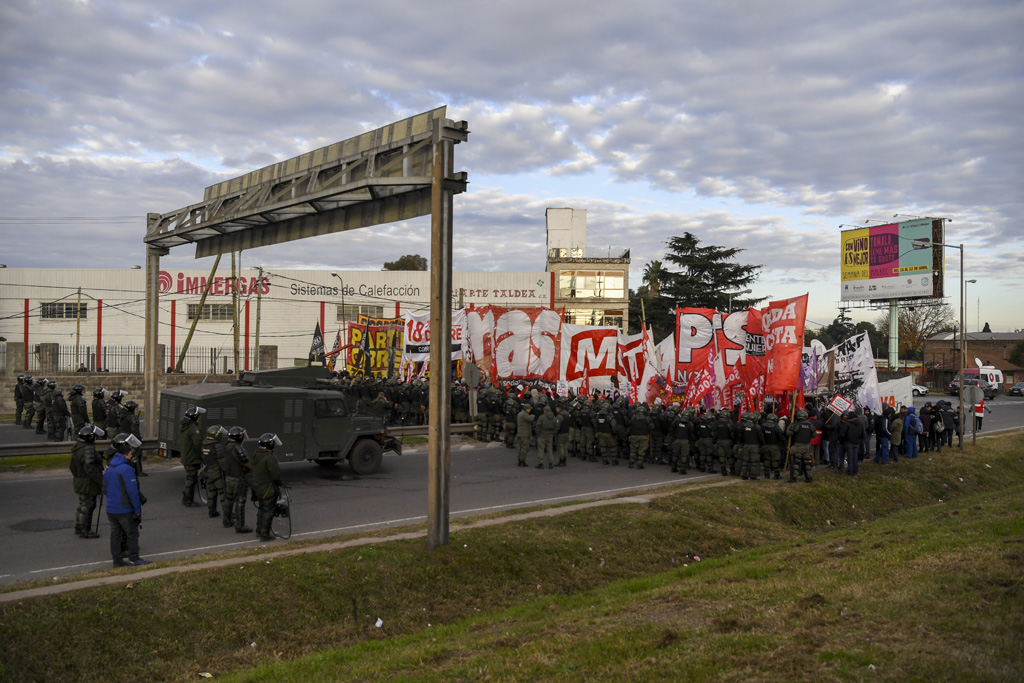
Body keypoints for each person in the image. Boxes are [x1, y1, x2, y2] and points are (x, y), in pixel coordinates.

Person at [102, 433, 149, 567]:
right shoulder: (127, 469)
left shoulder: (110, 468)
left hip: (111, 508)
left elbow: (104, 488)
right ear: (125, 454)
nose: (131, 455)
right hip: (124, 509)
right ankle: (134, 558)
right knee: (132, 533)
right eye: (130, 453)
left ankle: (117, 561)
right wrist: (137, 511)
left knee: (115, 535)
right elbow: (133, 493)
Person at [71, 424, 106, 538]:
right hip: (87, 483)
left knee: (82, 504)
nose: (95, 438)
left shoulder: (78, 446)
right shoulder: (88, 449)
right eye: (94, 436)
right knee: (88, 505)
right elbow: (90, 469)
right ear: (89, 437)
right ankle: (85, 530)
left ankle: (79, 526)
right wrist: (102, 481)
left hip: (80, 480)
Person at [252, 432, 285, 542]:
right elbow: (275, 475)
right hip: (268, 489)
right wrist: (281, 484)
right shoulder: (270, 458)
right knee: (268, 510)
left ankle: (259, 529)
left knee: (261, 509)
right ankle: (264, 533)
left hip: (258, 488)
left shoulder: (256, 454)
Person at [223, 426, 253, 533]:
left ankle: (226, 520)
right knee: (240, 500)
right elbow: (246, 463)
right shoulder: (238, 448)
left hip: (228, 477)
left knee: (228, 500)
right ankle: (240, 526)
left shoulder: (226, 446)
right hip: (238, 478)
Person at [179, 405, 206, 507]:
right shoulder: (194, 429)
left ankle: (187, 497)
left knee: (189, 478)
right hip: (192, 458)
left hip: (186, 457)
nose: (199, 419)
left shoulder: (183, 427)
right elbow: (198, 445)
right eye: (198, 416)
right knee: (191, 479)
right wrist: (203, 457)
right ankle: (187, 500)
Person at [201, 425, 228, 518]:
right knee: (223, 493)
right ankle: (227, 513)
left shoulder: (205, 444)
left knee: (211, 492)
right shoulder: (217, 445)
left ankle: (211, 511)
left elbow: (204, 458)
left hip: (208, 471)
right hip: (217, 472)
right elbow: (221, 461)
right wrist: (227, 471)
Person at [786, 410, 815, 483]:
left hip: (798, 446)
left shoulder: (796, 425)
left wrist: (790, 425)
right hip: (807, 446)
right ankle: (809, 478)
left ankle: (794, 479)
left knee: (796, 463)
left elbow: (788, 433)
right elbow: (814, 435)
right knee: (807, 463)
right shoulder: (810, 425)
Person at [839, 409, 864, 476]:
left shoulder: (847, 424)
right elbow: (863, 434)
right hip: (857, 442)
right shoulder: (860, 424)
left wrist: (844, 440)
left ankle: (850, 471)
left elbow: (842, 434)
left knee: (850, 458)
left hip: (849, 442)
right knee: (855, 457)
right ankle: (855, 471)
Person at [534, 404, 558, 469]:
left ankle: (540, 463)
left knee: (541, 449)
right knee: (549, 449)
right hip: (550, 434)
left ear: (544, 410)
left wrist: (538, 433)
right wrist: (554, 432)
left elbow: (538, 425)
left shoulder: (542, 417)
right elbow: (556, 426)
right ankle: (550, 463)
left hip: (542, 434)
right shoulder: (554, 417)